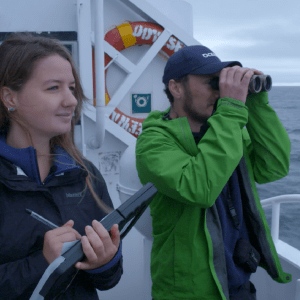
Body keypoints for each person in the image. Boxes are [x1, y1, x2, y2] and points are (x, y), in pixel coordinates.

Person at [135, 45, 292, 300]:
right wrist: (231, 109)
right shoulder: (153, 143)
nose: (220, 93)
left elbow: (273, 167)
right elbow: (200, 189)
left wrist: (256, 104)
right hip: (189, 293)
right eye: (212, 83)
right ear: (176, 88)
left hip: (238, 284)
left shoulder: (227, 133)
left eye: (222, 83)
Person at [0, 33, 122, 300]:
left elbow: (109, 279)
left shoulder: (84, 174)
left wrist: (106, 260)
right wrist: (43, 262)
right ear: (10, 98)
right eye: (54, 88)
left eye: (71, 88)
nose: (71, 100)